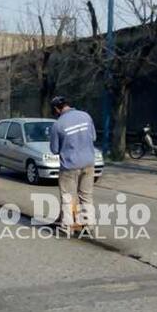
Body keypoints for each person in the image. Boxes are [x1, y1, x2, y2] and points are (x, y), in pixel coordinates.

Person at [49, 96, 97, 231]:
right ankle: (89, 225)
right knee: (86, 195)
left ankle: (67, 226)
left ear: (56, 109)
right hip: (88, 163)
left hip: (70, 166)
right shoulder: (86, 116)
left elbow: (54, 150)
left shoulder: (58, 124)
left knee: (68, 197)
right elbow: (93, 137)